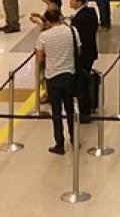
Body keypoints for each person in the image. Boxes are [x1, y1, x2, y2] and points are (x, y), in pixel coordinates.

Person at [35, 9, 80, 154]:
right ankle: (74, 138)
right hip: (69, 74)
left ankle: (59, 143)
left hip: (52, 77)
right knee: (70, 109)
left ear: (47, 21)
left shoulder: (43, 36)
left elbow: (39, 59)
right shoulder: (71, 30)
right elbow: (78, 50)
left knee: (56, 111)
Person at [70, 0, 99, 123]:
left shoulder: (78, 21)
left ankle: (85, 112)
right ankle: (88, 107)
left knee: (81, 83)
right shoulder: (91, 12)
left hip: (83, 55)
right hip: (91, 51)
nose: (70, 1)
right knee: (85, 79)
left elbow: (77, 40)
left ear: (79, 1)